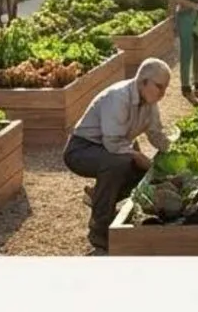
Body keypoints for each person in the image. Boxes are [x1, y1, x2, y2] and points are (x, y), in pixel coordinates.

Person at [64, 58, 173, 255]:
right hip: (82, 149)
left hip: (111, 149)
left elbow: (156, 135)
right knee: (120, 163)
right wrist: (139, 157)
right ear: (143, 82)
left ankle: (99, 197)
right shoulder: (119, 97)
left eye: (165, 88)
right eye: (159, 87)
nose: (163, 94)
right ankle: (99, 232)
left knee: (144, 172)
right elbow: (113, 143)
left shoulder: (150, 103)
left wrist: (175, 152)